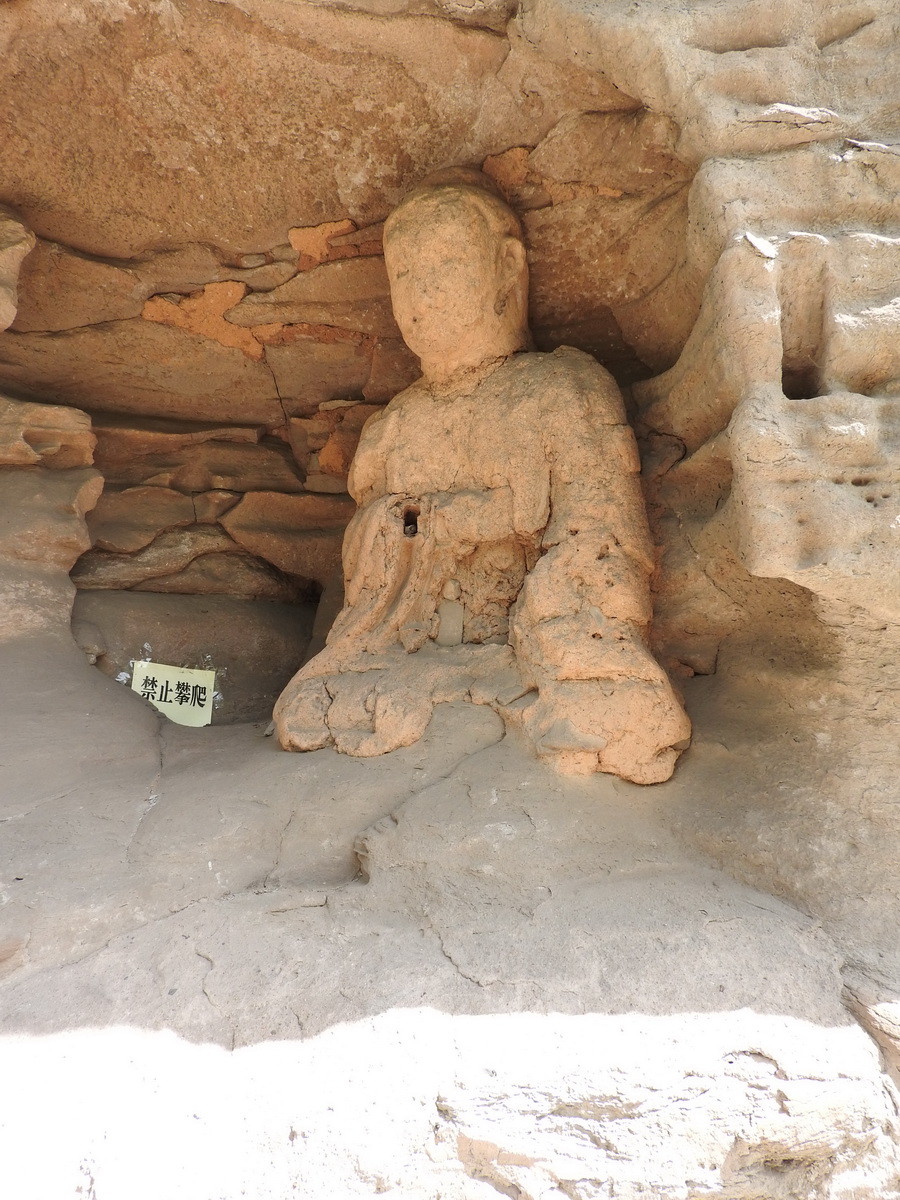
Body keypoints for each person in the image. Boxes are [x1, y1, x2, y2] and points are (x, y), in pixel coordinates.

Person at [274, 168, 690, 783]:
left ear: (507, 267)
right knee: (311, 708)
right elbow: (366, 569)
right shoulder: (393, 427)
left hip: (536, 643)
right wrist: (418, 523)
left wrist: (550, 623)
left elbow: (605, 542)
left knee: (610, 711)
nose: (421, 293)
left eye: (442, 264)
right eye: (403, 274)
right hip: (407, 651)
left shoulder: (564, 389)